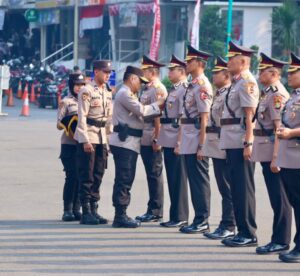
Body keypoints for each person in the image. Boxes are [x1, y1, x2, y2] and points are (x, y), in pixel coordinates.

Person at [109, 66, 165, 228]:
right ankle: (120, 215)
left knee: (125, 178)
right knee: (124, 178)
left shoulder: (127, 92)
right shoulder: (125, 93)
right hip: (125, 142)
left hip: (129, 142)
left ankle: (121, 213)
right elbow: (142, 111)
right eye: (139, 81)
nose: (140, 85)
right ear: (132, 78)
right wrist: (159, 103)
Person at [219, 41, 259, 247]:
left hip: (240, 141)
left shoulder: (246, 82)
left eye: (231, 59)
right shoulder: (236, 82)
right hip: (232, 140)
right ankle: (241, 230)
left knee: (244, 188)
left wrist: (248, 142)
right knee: (236, 187)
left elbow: (249, 115)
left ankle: (249, 232)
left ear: (243, 62)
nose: (227, 62)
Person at [252, 53, 292, 254]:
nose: (259, 74)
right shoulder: (268, 92)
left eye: (262, 71)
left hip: (273, 151)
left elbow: (279, 127)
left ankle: (281, 240)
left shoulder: (277, 94)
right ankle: (278, 239)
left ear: (274, 73)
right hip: (266, 149)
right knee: (276, 198)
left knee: (280, 198)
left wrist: (276, 157)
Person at [177, 45, 213, 234]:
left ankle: (203, 219)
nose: (186, 63)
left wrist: (202, 145)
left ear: (199, 64)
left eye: (190, 61)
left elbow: (204, 117)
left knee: (199, 181)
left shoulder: (202, 86)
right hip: (189, 138)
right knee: (193, 180)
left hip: (197, 139)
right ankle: (198, 217)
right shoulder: (193, 84)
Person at [74, 60, 113, 225]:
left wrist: (108, 141)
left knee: (98, 174)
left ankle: (94, 209)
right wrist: (85, 140)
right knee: (87, 175)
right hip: (89, 136)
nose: (108, 75)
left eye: (109, 72)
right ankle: (86, 211)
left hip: (102, 137)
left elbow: (109, 118)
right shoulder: (86, 90)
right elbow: (82, 116)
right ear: (96, 72)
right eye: (105, 72)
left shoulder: (107, 91)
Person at [203, 57, 236, 240]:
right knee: (224, 187)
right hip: (217, 143)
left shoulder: (227, 93)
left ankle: (229, 224)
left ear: (226, 75)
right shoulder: (220, 93)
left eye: (217, 73)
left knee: (227, 187)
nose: (213, 76)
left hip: (223, 143)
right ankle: (225, 223)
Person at [135, 55, 168, 223]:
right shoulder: (147, 88)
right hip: (145, 132)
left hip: (152, 133)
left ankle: (156, 210)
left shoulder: (157, 89)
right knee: (150, 173)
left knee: (154, 173)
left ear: (151, 72)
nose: (142, 73)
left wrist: (157, 137)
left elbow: (158, 115)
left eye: (144, 70)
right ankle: (152, 207)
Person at [158, 55, 189, 228]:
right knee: (172, 178)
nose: (169, 72)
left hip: (176, 137)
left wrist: (179, 142)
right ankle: (175, 214)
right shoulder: (175, 88)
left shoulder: (184, 89)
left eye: (172, 70)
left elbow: (182, 118)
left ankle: (181, 216)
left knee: (178, 179)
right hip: (168, 137)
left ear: (182, 72)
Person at [276, 53, 300, 263]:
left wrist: (291, 133)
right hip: (290, 156)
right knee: (295, 202)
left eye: (294, 72)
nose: (289, 76)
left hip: (298, 156)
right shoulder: (294, 96)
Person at [57, 73, 85, 221]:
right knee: (71, 176)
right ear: (71, 86)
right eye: (77, 85)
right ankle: (67, 210)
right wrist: (70, 121)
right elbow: (58, 125)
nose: (79, 88)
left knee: (81, 177)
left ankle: (77, 208)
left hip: (83, 144)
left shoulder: (87, 100)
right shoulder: (66, 102)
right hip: (69, 144)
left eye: (82, 85)